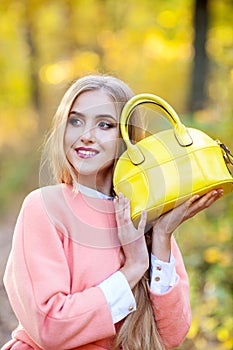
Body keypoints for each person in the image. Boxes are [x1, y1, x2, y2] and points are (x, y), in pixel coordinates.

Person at [2, 75, 223, 350]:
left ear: (126, 138)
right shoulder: (45, 207)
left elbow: (171, 335)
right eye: (75, 120)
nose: (86, 135)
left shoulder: (145, 211)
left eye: (104, 125)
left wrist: (163, 237)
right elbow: (50, 327)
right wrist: (133, 268)